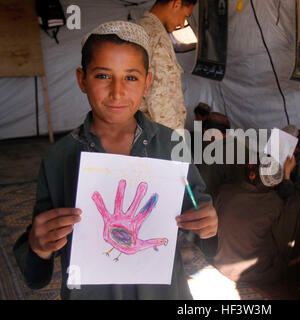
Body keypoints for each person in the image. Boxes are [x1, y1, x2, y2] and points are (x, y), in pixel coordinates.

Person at [13, 21, 217, 300]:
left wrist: (207, 226)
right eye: (103, 76)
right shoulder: (59, 158)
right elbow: (37, 268)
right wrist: (39, 246)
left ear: (147, 83)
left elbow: (198, 216)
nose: (117, 92)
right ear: (82, 79)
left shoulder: (171, 145)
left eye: (131, 77)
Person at [213, 159, 300, 284]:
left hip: (221, 264)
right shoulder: (274, 203)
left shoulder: (225, 191)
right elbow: (284, 237)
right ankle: (294, 257)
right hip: (256, 274)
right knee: (296, 204)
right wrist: (287, 176)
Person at [138, 0, 197, 134]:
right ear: (176, 4)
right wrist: (176, 144)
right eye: (185, 16)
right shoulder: (156, 36)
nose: (182, 24)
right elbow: (160, 100)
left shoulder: (144, 30)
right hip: (159, 136)